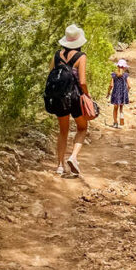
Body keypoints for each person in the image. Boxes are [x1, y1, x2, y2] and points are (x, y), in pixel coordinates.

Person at [50, 24, 90, 177]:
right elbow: (83, 82)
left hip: (60, 97)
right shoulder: (81, 57)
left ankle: (60, 166)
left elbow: (51, 75)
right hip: (74, 97)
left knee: (63, 131)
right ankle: (73, 157)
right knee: (82, 127)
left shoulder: (56, 55)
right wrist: (87, 95)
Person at [107, 58, 131, 128]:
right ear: (124, 67)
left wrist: (108, 93)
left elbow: (111, 85)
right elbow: (129, 86)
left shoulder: (113, 75)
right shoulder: (126, 75)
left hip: (115, 93)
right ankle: (121, 115)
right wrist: (126, 91)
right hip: (123, 93)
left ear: (117, 66)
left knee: (115, 108)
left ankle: (115, 123)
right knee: (121, 107)